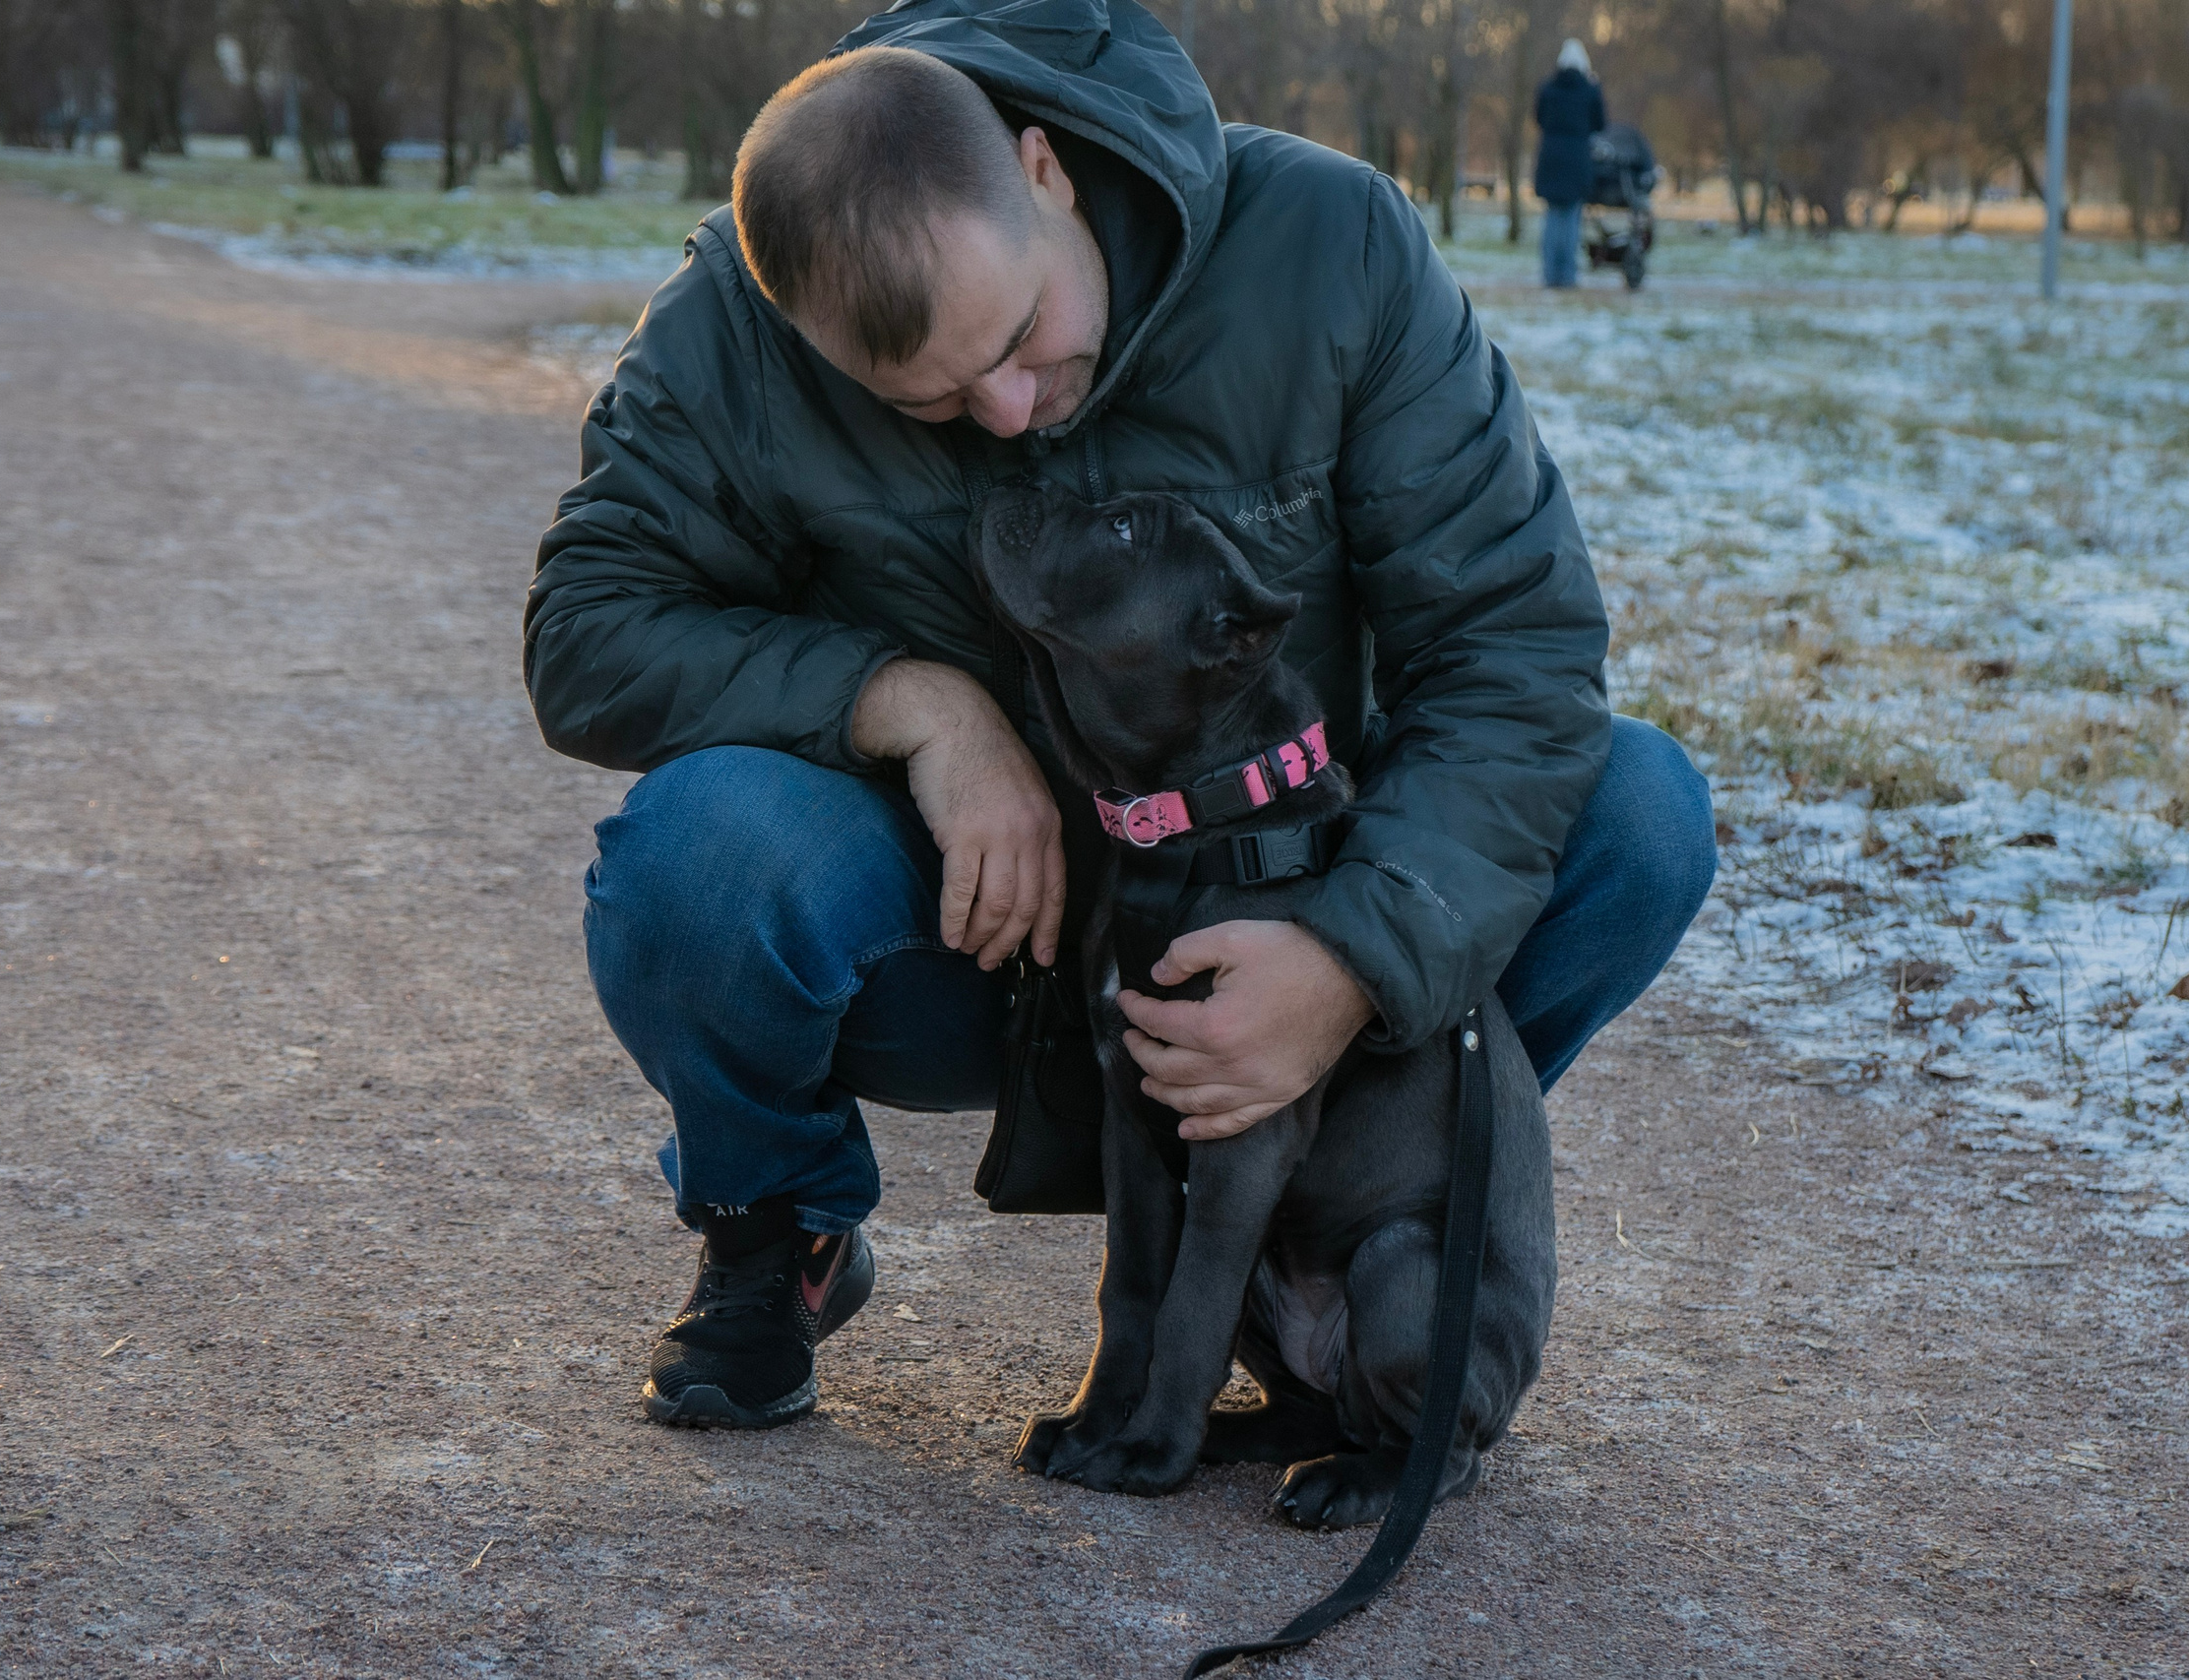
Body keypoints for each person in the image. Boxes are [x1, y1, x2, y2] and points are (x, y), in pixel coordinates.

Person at [525, 0, 1716, 1433]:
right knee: (698, 858)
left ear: (1043, 169)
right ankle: (779, 1232)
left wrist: (1354, 958)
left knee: (1639, 816)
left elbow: (1515, 645)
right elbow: (586, 630)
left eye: (1022, 335)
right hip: (981, 939)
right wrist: (913, 705)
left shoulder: (1327, 243)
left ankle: (1325, 1202)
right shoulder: (744, 314)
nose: (1015, 410)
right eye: (940, 402)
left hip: (1287, 890)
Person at [1532, 37, 1606, 289]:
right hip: (1577, 159)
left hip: (1551, 157)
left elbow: (1539, 118)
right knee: (1572, 217)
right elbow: (1600, 123)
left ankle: (1549, 273)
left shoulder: (1547, 88)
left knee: (1552, 217)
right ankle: (1567, 275)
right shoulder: (1590, 89)